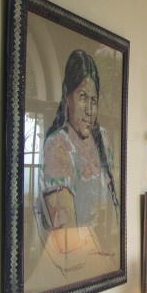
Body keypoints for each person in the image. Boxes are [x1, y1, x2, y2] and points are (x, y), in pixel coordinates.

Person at [34, 49, 120, 272]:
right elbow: (67, 241)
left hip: (102, 259)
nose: (90, 110)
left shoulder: (104, 139)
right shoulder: (58, 146)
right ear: (67, 96)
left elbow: (113, 209)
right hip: (74, 267)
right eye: (83, 97)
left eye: (94, 100)